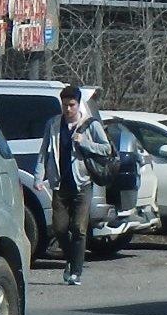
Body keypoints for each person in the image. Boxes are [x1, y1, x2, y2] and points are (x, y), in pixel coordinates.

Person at [35, 85, 111, 286]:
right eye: (65, 105)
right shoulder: (53, 124)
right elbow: (44, 152)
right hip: (60, 185)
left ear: (78, 105)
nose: (68, 109)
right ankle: (70, 259)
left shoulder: (90, 125)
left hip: (82, 184)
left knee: (79, 228)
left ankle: (76, 271)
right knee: (59, 228)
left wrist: (85, 143)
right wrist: (38, 177)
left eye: (72, 105)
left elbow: (107, 149)